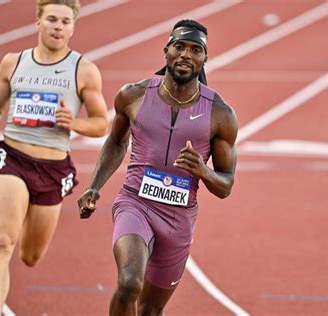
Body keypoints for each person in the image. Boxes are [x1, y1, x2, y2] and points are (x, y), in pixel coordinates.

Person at [78, 19, 238, 315]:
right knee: (128, 283)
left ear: (204, 58)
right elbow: (116, 142)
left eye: (195, 50)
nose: (186, 55)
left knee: (150, 310)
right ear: (166, 50)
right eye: (179, 46)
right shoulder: (134, 95)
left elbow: (226, 184)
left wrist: (204, 172)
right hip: (135, 204)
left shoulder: (220, 114)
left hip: (178, 220)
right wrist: (94, 186)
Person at [0, 0, 108, 314]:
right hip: (14, 157)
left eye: (64, 21)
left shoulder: (83, 70)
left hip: (53, 167)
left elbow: (102, 122)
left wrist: (74, 123)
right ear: (37, 22)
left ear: (72, 27)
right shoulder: (13, 62)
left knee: (30, 256)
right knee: (2, 242)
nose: (58, 27)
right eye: (51, 20)